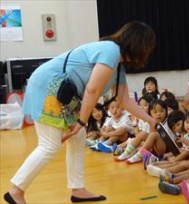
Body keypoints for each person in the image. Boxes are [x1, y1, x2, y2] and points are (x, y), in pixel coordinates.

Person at [3, 21, 157, 204]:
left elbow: (124, 100)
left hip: (60, 92)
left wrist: (150, 120)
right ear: (139, 44)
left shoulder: (119, 66)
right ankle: (15, 191)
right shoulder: (111, 51)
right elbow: (92, 90)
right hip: (48, 87)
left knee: (78, 137)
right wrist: (82, 121)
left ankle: (78, 189)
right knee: (49, 145)